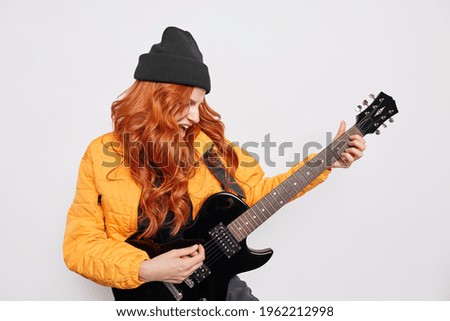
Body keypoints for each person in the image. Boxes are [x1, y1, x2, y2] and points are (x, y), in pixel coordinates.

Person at [63, 26, 366, 301]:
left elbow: (257, 197)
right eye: (189, 103)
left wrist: (325, 162)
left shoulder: (209, 148)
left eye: (200, 104)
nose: (196, 116)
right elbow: (79, 245)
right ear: (158, 99)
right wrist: (146, 269)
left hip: (218, 286)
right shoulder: (101, 154)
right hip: (148, 296)